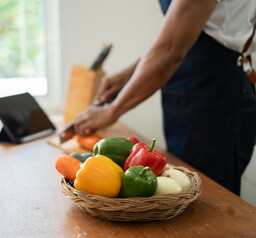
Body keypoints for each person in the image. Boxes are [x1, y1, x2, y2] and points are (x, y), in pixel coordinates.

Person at [73, 0, 256, 195]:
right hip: (192, 96)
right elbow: (176, 35)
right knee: (181, 192)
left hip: (217, 100)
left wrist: (113, 110)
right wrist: (128, 75)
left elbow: (170, 49)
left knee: (207, 202)